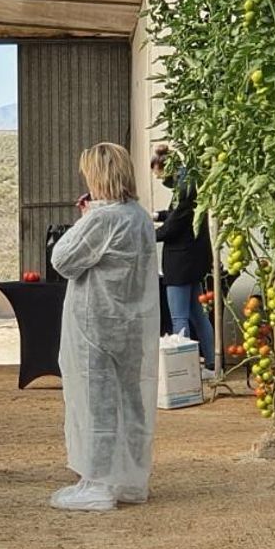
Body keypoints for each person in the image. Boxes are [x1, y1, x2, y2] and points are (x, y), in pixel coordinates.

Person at [47, 142, 160, 512]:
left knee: (94, 403)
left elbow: (62, 260)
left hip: (94, 323)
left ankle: (97, 481)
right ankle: (128, 476)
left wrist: (84, 218)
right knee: (129, 402)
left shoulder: (102, 218)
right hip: (128, 323)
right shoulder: (139, 216)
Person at [151, 145, 216, 377]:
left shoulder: (185, 188)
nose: (160, 180)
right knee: (197, 314)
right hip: (193, 261)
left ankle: (184, 370)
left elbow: (175, 225)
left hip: (181, 262)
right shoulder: (188, 185)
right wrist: (157, 216)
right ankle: (211, 362)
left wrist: (148, 234)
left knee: (179, 317)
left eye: (159, 175)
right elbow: (176, 215)